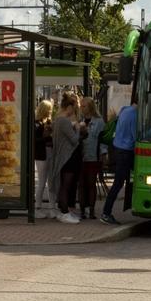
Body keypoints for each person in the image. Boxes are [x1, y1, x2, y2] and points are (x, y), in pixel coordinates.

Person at [46, 92, 84, 224]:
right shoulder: (64, 120)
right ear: (69, 107)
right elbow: (74, 140)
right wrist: (78, 128)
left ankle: (64, 210)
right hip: (67, 157)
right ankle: (64, 212)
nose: (74, 111)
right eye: (74, 108)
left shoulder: (58, 119)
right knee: (65, 185)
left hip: (63, 156)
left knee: (64, 184)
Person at [101, 102, 136, 225]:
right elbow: (135, 136)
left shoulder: (124, 109)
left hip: (118, 149)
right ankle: (106, 212)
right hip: (126, 151)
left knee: (120, 182)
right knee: (118, 183)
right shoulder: (134, 115)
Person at [79, 97, 105, 220]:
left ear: (90, 107)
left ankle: (92, 210)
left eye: (84, 106)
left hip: (93, 156)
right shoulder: (80, 120)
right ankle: (82, 210)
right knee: (82, 184)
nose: (82, 108)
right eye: (81, 106)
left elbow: (103, 140)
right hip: (81, 156)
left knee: (91, 183)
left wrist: (103, 156)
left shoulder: (99, 122)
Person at [33, 99, 54, 218]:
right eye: (49, 110)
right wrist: (46, 137)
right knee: (42, 181)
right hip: (41, 154)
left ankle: (52, 207)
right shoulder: (37, 123)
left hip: (48, 152)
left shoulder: (47, 122)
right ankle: (37, 207)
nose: (50, 112)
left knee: (51, 182)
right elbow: (35, 140)